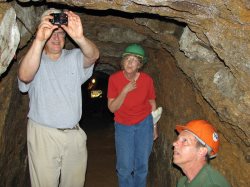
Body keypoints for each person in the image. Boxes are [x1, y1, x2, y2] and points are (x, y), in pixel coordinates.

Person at [18, 8, 99, 187]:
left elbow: (93, 55)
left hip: (73, 135)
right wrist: (39, 39)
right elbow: (24, 76)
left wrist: (79, 37)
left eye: (61, 33)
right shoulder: (33, 59)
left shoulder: (74, 57)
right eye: (51, 33)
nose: (56, 37)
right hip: (43, 135)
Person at [107, 44, 159, 187]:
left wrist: (154, 127)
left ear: (139, 65)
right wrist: (124, 91)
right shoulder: (114, 79)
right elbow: (112, 108)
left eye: (134, 60)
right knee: (124, 168)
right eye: (127, 59)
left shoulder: (147, 80)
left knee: (142, 166)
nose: (130, 62)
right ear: (122, 62)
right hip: (123, 125)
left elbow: (152, 103)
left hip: (144, 124)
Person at [173, 119, 231, 187]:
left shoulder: (212, 184)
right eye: (178, 139)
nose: (174, 143)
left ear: (202, 151)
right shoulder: (182, 183)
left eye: (184, 140)